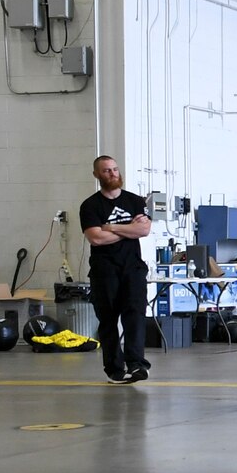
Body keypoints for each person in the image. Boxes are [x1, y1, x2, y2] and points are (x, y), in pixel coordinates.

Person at [79, 155, 152, 386]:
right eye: (106, 171)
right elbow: (96, 238)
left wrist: (112, 226)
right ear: (97, 175)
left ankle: (137, 364)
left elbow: (144, 231)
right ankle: (114, 368)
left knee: (135, 316)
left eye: (114, 169)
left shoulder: (135, 201)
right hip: (104, 271)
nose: (112, 174)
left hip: (133, 269)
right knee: (108, 320)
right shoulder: (90, 205)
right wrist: (129, 228)